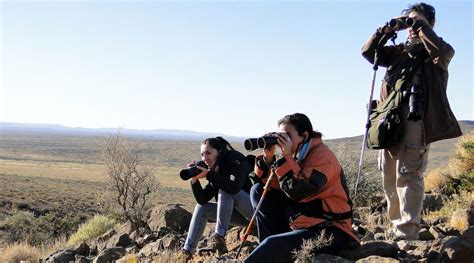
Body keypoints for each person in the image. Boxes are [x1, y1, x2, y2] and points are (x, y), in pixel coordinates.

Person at [361, 3, 462, 240]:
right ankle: (397, 226)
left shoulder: (437, 51)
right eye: (408, 22)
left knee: (409, 174)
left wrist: (421, 28)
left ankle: (407, 234)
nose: (410, 27)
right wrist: (384, 30)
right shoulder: (398, 53)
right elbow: (367, 53)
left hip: (416, 119)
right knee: (388, 174)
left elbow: (443, 52)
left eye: (417, 21)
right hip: (389, 119)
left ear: (430, 24)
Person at [245, 113, 360, 262]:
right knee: (258, 191)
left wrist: (287, 157)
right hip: (306, 221)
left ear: (304, 136)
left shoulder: (322, 157)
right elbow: (269, 186)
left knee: (272, 245)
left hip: (331, 229)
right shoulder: (300, 154)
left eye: (287, 136)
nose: (282, 141)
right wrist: (268, 158)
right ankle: (273, 249)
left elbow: (300, 191)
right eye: (280, 136)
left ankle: (272, 251)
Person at [181, 137, 253, 258]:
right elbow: (202, 200)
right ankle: (187, 252)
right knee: (201, 208)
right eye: (202, 154)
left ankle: (219, 238)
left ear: (219, 151)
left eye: (208, 153)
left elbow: (234, 188)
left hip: (255, 214)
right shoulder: (215, 169)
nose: (205, 158)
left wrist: (210, 175)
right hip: (240, 218)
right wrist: (194, 179)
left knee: (224, 191)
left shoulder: (235, 159)